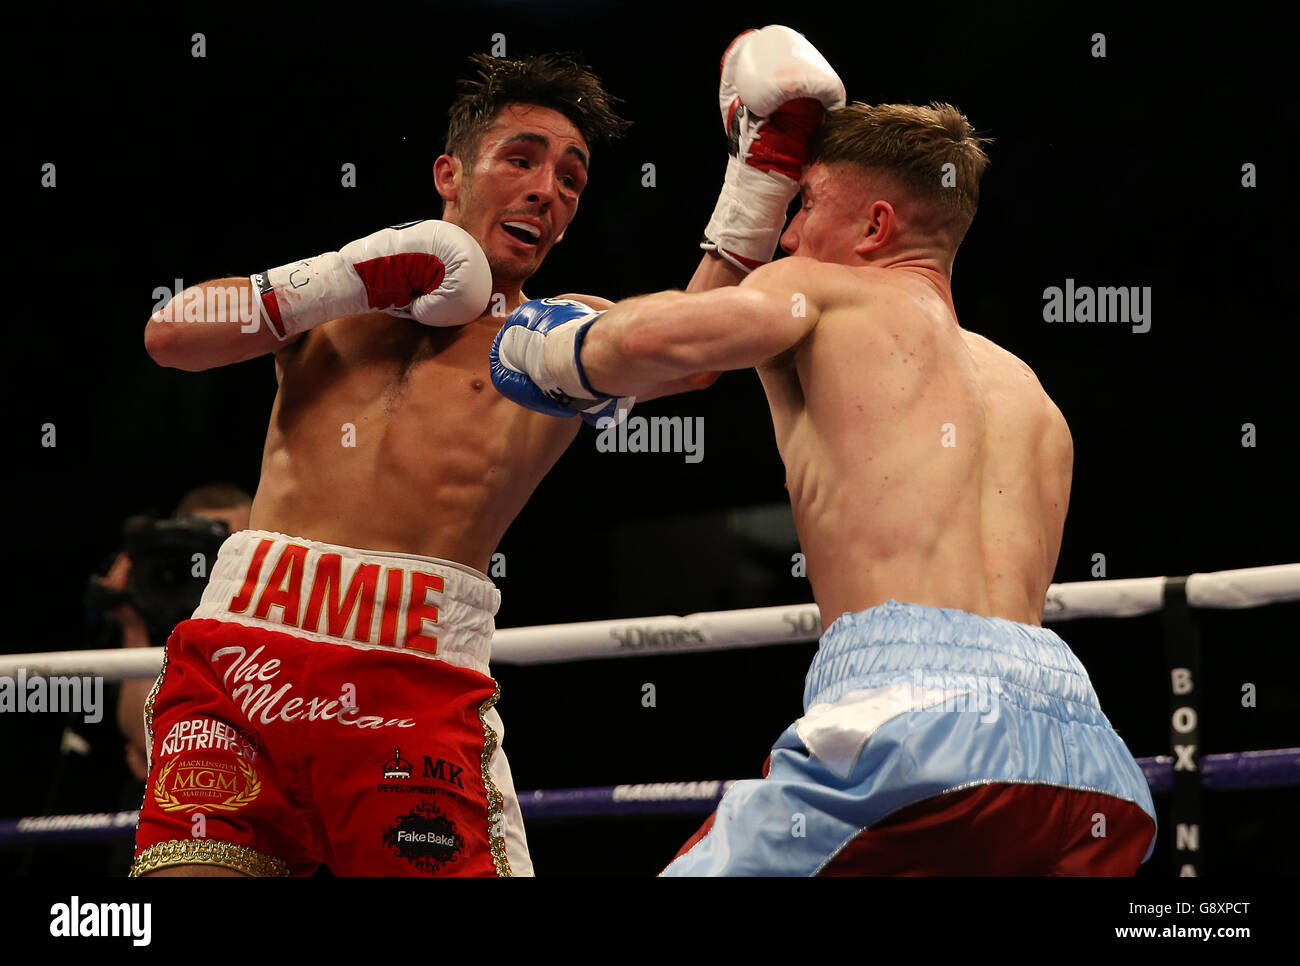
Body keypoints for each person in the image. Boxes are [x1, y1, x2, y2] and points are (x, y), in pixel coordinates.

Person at [134, 33, 842, 877]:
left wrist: (766, 170)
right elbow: (169, 336)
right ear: (450, 176)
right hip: (242, 656)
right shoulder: (337, 297)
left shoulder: (552, 339)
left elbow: (695, 354)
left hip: (410, 686)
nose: (547, 191)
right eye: (523, 160)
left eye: (571, 180)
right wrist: (338, 278)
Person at [491, 101, 1158, 875]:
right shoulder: (1032, 395)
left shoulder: (821, 291)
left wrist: (537, 339)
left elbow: (648, 349)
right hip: (1089, 770)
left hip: (910, 734)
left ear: (874, 227)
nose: (788, 234)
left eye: (804, 205)